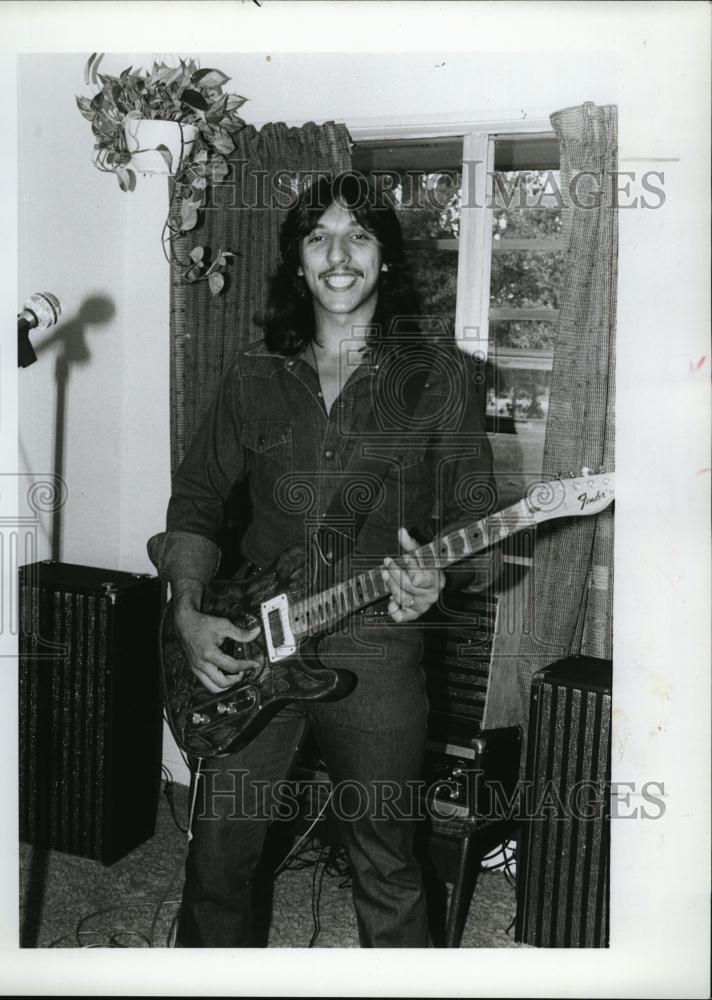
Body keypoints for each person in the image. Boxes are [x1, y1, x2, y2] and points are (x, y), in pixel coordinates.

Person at [147, 171, 498, 948]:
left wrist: (439, 580)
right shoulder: (251, 374)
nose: (339, 255)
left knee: (386, 865)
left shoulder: (444, 380)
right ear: (298, 263)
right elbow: (199, 496)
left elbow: (478, 532)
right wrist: (190, 609)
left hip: (377, 647)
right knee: (218, 863)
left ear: (388, 258)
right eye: (318, 237)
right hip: (250, 643)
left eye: (359, 235)